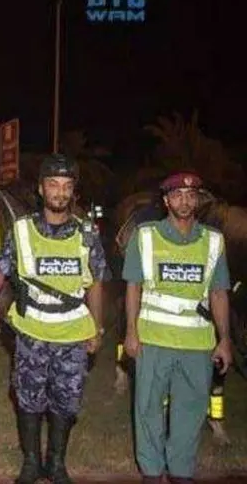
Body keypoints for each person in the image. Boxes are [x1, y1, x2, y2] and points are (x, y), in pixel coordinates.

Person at [0, 154, 110, 484]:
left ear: (73, 193)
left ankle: (56, 463)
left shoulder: (87, 233)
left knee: (66, 400)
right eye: (53, 185)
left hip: (72, 331)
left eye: (66, 187)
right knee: (28, 397)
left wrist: (97, 327)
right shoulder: (22, 230)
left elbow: (96, 280)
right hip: (31, 331)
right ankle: (31, 462)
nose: (60, 192)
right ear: (41, 190)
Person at [122, 171, 233, 484]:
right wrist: (131, 332)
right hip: (153, 340)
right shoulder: (145, 236)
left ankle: (181, 471)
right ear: (166, 201)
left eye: (191, 194)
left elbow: (219, 292)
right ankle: (152, 472)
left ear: (197, 200)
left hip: (197, 344)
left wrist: (224, 340)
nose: (185, 200)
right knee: (148, 410)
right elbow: (133, 286)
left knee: (190, 411)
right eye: (177, 195)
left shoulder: (213, 241)